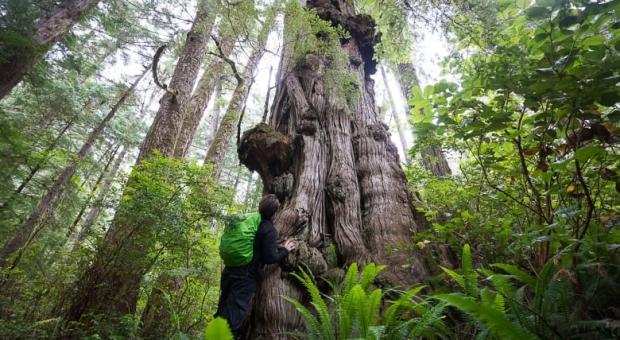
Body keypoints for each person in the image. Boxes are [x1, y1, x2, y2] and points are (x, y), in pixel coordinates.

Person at [215, 194, 294, 338]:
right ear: (276, 212)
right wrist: (284, 250)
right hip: (245, 276)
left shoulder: (251, 219)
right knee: (234, 313)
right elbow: (270, 257)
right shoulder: (268, 229)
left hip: (230, 270)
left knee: (223, 306)